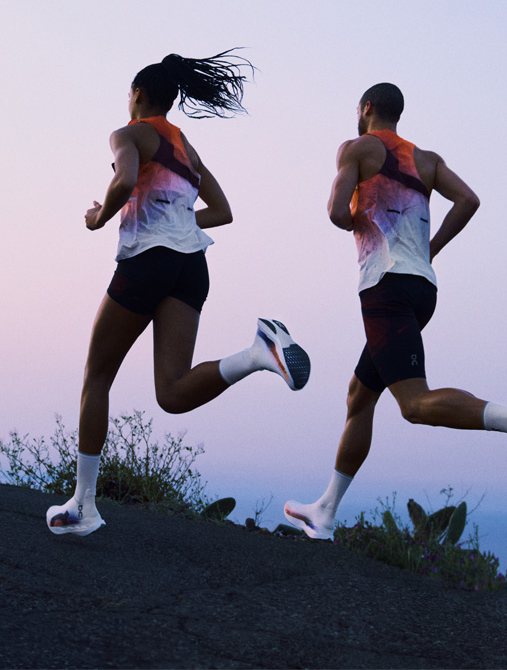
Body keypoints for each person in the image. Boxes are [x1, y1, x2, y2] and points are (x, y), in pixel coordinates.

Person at [284, 82, 507, 540]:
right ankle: (324, 509)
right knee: (359, 397)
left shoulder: (356, 148)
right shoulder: (428, 160)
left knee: (414, 404)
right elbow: (469, 201)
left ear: (365, 109)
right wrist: (430, 248)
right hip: (422, 288)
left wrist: (361, 217)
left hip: (384, 287)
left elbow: (336, 212)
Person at [46, 51, 310, 536]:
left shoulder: (127, 133)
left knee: (96, 376)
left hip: (148, 263)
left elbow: (124, 179)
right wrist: (174, 221)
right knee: (171, 392)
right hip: (192, 266)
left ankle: (84, 504)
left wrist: (97, 218)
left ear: (139, 95)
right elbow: (222, 211)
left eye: (129, 94)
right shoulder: (186, 146)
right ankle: (257, 354)